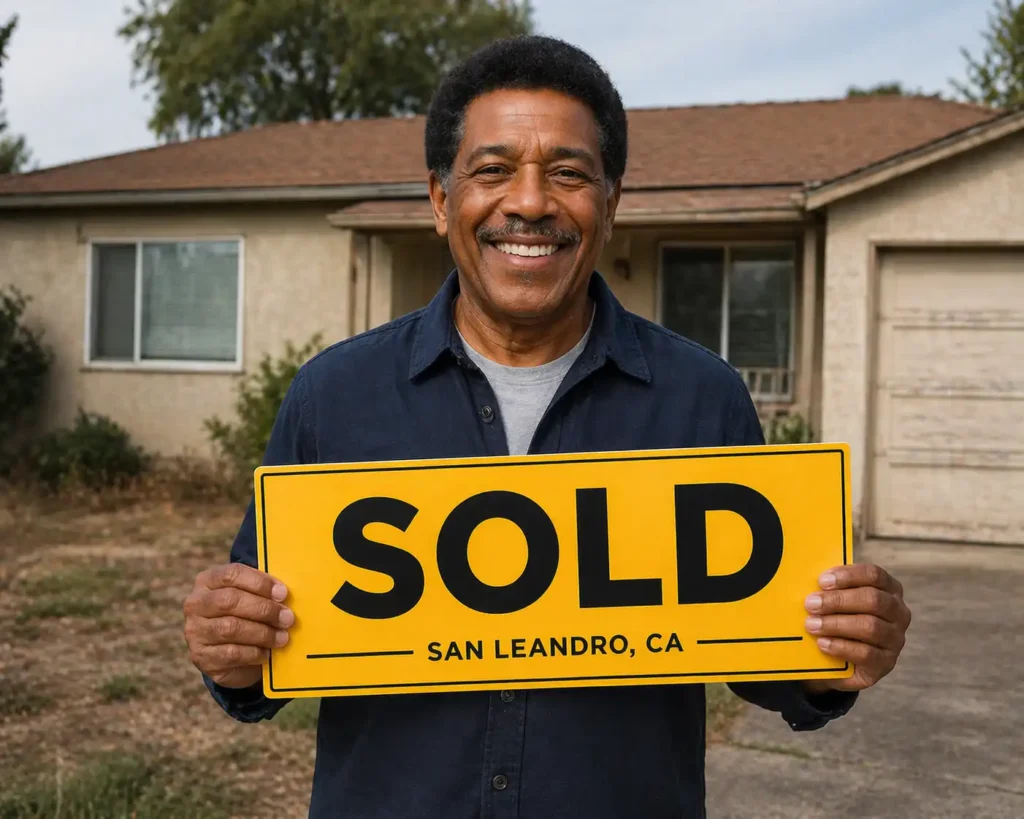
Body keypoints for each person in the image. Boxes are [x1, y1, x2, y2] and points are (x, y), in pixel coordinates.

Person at [183, 35, 912, 819]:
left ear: (610, 204)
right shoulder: (334, 395)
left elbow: (766, 655)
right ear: (438, 201)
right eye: (492, 170)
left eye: (568, 173)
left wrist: (835, 654)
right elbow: (258, 664)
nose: (529, 202)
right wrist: (229, 645)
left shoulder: (703, 400)